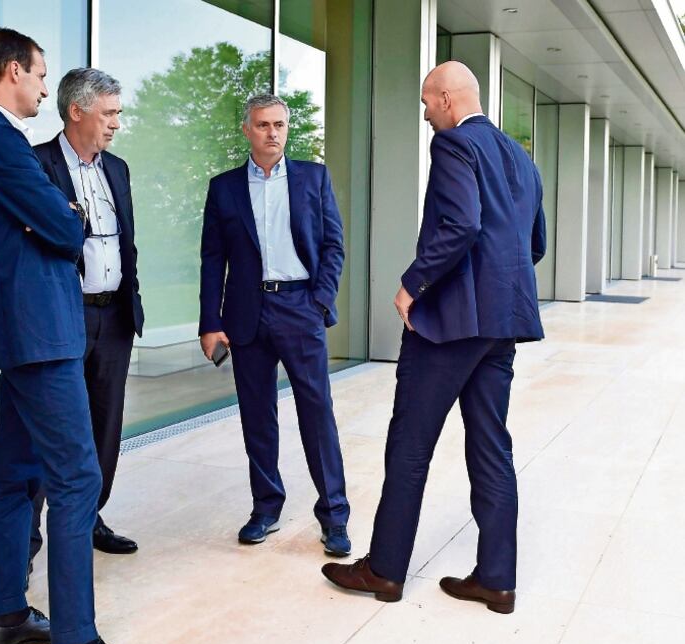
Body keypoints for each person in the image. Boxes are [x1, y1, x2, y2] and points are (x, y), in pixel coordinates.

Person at [0, 28, 152, 644]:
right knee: (76, 478)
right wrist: (64, 213)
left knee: (14, 474)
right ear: (14, 71)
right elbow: (70, 228)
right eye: (39, 75)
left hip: (28, 332)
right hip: (42, 334)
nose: (43, 84)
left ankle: (9, 618)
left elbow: (60, 222)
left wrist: (59, 213)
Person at [321, 61, 546, 614]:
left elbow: (461, 225)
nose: (423, 114)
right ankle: (497, 580)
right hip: (502, 326)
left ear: (447, 99)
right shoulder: (521, 157)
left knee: (409, 445)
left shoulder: (452, 146)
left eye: (426, 102)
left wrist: (413, 284)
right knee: (492, 447)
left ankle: (384, 571)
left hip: (448, 328)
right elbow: (532, 244)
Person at [199, 93, 351, 557]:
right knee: (258, 415)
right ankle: (265, 507)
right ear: (247, 130)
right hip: (247, 315)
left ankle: (334, 515)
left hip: (299, 308)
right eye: (263, 125)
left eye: (280, 125)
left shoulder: (314, 178)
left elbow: (333, 246)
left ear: (288, 128)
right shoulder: (224, 188)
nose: (272, 133)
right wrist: (211, 321)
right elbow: (212, 259)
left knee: (316, 411)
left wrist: (320, 302)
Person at [31, 67, 144, 557]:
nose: (116, 123)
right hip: (63, 317)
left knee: (105, 423)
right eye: (109, 113)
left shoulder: (116, 169)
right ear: (77, 111)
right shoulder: (36, 165)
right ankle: (29, 536)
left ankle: (88, 517)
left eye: (118, 113)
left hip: (114, 316)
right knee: (50, 428)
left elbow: (126, 244)